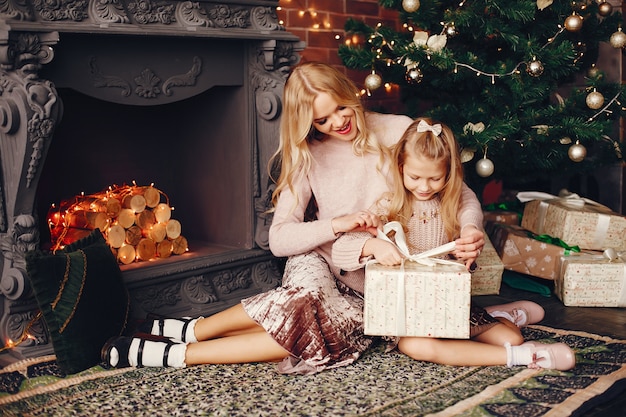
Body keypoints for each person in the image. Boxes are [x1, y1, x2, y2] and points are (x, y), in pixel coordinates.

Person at [101, 62, 555, 373]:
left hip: (379, 272)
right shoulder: (307, 158)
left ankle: (181, 340)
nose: (338, 122)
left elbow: (460, 192)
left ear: (350, 93)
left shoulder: (399, 131)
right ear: (308, 124)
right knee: (303, 307)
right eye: (322, 120)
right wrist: (339, 225)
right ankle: (186, 343)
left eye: (341, 107)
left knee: (314, 330)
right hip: (322, 256)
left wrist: (472, 226)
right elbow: (281, 239)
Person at [331, 117, 575, 370]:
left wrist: (467, 253)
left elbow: (466, 248)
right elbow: (340, 250)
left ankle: (502, 315)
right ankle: (525, 357)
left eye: (435, 179)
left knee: (512, 337)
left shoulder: (452, 206)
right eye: (415, 177)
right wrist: (372, 246)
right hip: (406, 309)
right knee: (416, 347)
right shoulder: (387, 205)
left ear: (449, 173)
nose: (424, 187)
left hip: (445, 302)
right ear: (401, 167)